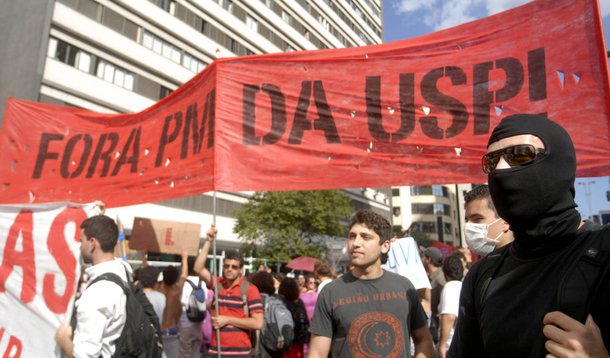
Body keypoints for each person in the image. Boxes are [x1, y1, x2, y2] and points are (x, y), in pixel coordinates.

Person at [448, 113, 610, 357]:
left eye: (520, 155)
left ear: (559, 163)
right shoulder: (484, 275)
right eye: (491, 161)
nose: (500, 169)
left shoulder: (605, 250)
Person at [308, 210, 434, 357]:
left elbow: (423, 339)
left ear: (385, 246)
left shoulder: (404, 287)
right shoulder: (330, 292)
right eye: (352, 236)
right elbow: (317, 353)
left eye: (365, 237)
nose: (356, 243)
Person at [55, 214, 129, 357]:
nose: (80, 246)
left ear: (93, 243)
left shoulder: (97, 293)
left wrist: (63, 339)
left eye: (81, 240)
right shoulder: (124, 274)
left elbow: (85, 355)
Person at [194, 225, 264, 357]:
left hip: (240, 354)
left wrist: (227, 320)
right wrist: (208, 241)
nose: (229, 269)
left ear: (241, 270)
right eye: (227, 266)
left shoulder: (249, 289)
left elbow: (258, 323)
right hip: (216, 351)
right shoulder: (218, 284)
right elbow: (198, 269)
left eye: (234, 267)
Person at [463, 184, 514, 256]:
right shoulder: (480, 266)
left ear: (505, 222)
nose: (468, 226)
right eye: (466, 220)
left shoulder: (530, 263)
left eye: (477, 219)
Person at [159, 255, 188, 358]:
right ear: (176, 278)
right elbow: (184, 275)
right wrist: (184, 257)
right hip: (173, 334)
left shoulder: (159, 292)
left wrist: (144, 257)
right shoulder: (176, 292)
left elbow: (148, 279)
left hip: (159, 334)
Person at [179, 256, 207, 358]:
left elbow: (181, 302)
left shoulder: (184, 284)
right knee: (196, 354)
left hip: (186, 325)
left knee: (184, 354)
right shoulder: (202, 283)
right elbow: (205, 301)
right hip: (199, 325)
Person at [437, 255, 463, 358]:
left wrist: (442, 345)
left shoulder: (450, 287)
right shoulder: (463, 286)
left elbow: (449, 316)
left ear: (445, 272)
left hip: (451, 346)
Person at [279, 277, 310, 358]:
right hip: (298, 340)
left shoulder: (280, 303)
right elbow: (305, 320)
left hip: (283, 341)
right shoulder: (299, 302)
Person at [422, 246, 445, 346]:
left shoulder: (440, 280)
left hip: (439, 330)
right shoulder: (432, 277)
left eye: (423, 256)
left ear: (429, 260)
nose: (421, 259)